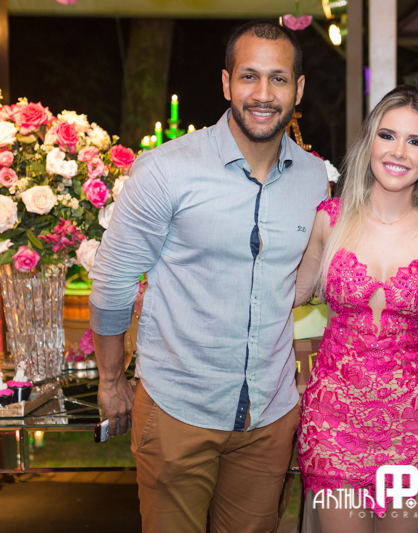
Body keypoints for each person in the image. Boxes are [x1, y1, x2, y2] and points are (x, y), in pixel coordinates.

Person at [88, 20, 329, 533]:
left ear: (299, 88)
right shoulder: (166, 169)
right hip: (178, 407)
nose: (263, 94)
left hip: (270, 415)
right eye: (249, 76)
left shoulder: (315, 179)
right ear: (226, 83)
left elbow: (307, 285)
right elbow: (112, 281)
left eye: (279, 79)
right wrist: (110, 381)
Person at [294, 85, 418, 533]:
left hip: (417, 422)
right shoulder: (330, 218)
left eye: (415, 141)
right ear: (369, 142)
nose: (399, 151)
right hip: (334, 419)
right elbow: (287, 295)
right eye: (388, 135)